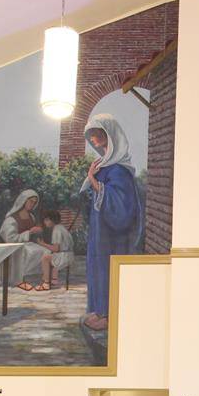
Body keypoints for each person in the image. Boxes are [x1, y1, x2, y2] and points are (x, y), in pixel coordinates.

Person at [79, 114, 143, 332]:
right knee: (98, 267)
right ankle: (100, 311)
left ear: (109, 135)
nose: (92, 139)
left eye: (96, 134)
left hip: (113, 235)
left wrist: (92, 179)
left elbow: (120, 204)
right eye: (91, 136)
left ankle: (109, 316)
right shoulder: (105, 165)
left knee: (107, 268)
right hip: (101, 230)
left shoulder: (119, 170)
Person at [0, 189, 47, 292]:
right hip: (14, 246)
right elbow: (10, 238)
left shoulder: (31, 217)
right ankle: (18, 281)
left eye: (34, 202)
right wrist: (30, 232)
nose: (32, 204)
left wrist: (37, 232)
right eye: (30, 201)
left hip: (27, 244)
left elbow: (32, 235)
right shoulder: (11, 219)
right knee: (27, 252)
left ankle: (36, 277)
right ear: (23, 200)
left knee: (45, 252)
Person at [36, 209, 74, 289]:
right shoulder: (62, 228)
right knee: (51, 255)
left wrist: (42, 244)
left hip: (64, 257)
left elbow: (56, 249)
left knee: (45, 258)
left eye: (46, 220)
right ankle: (54, 280)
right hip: (69, 255)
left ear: (52, 220)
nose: (45, 222)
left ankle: (46, 283)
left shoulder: (56, 230)